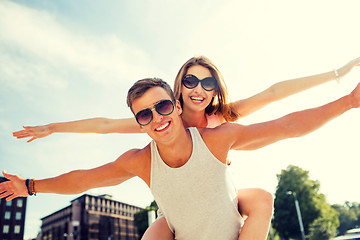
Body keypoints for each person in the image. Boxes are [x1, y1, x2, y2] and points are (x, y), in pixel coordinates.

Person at [12, 56, 360, 239]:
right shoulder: (152, 120)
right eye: (190, 81)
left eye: (207, 82)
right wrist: (52, 130)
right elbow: (101, 133)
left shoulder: (222, 122)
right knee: (159, 229)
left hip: (218, 194)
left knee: (261, 198)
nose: (198, 89)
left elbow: (278, 107)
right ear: (179, 90)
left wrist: (339, 81)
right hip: (177, 203)